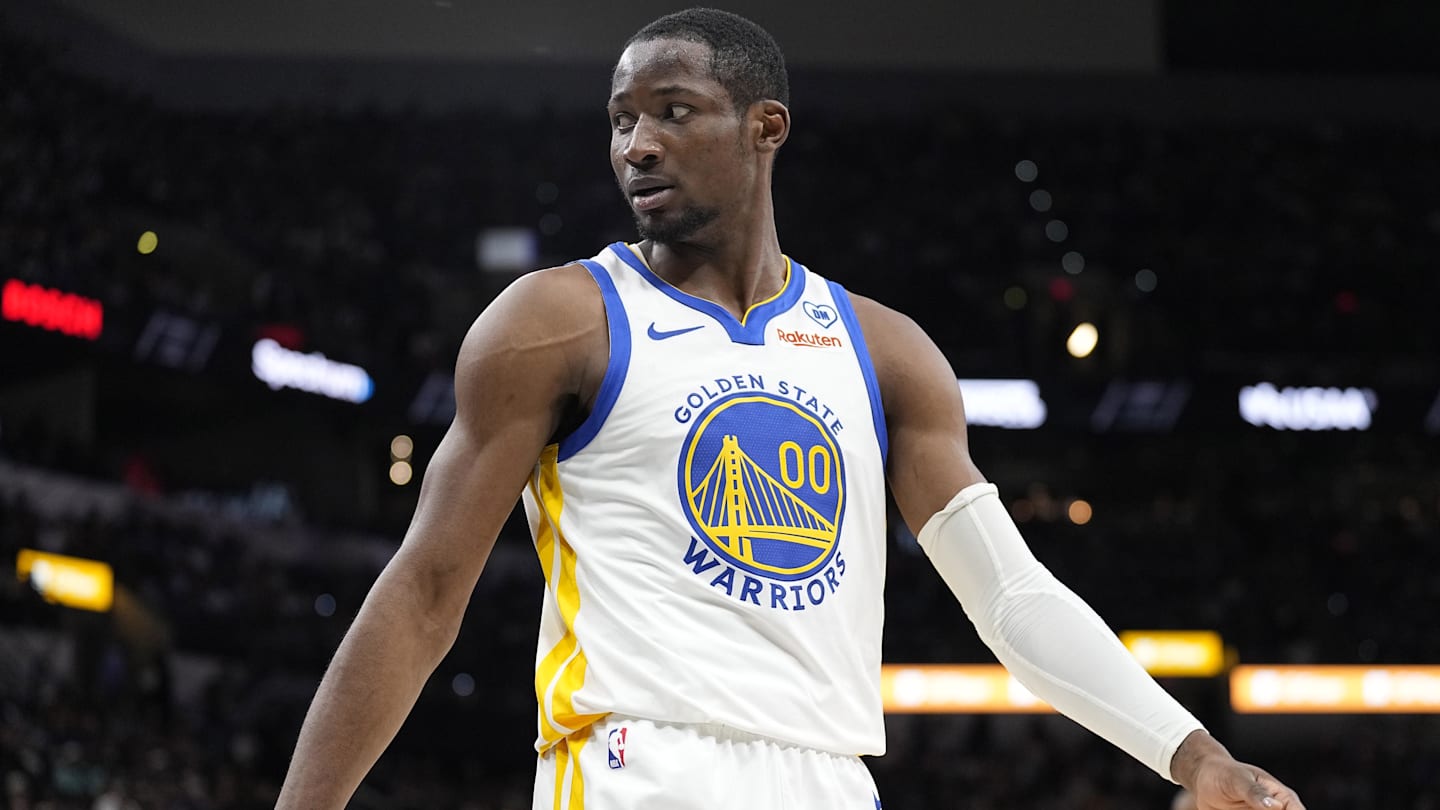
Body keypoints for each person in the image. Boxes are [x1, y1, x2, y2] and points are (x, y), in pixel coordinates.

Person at [278, 8, 1306, 809]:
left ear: (764, 126)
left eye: (672, 111)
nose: (638, 143)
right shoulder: (559, 322)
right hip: (641, 759)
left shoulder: (885, 351)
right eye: (622, 119)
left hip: (829, 771)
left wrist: (1193, 753)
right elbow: (422, 595)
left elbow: (1010, 598)